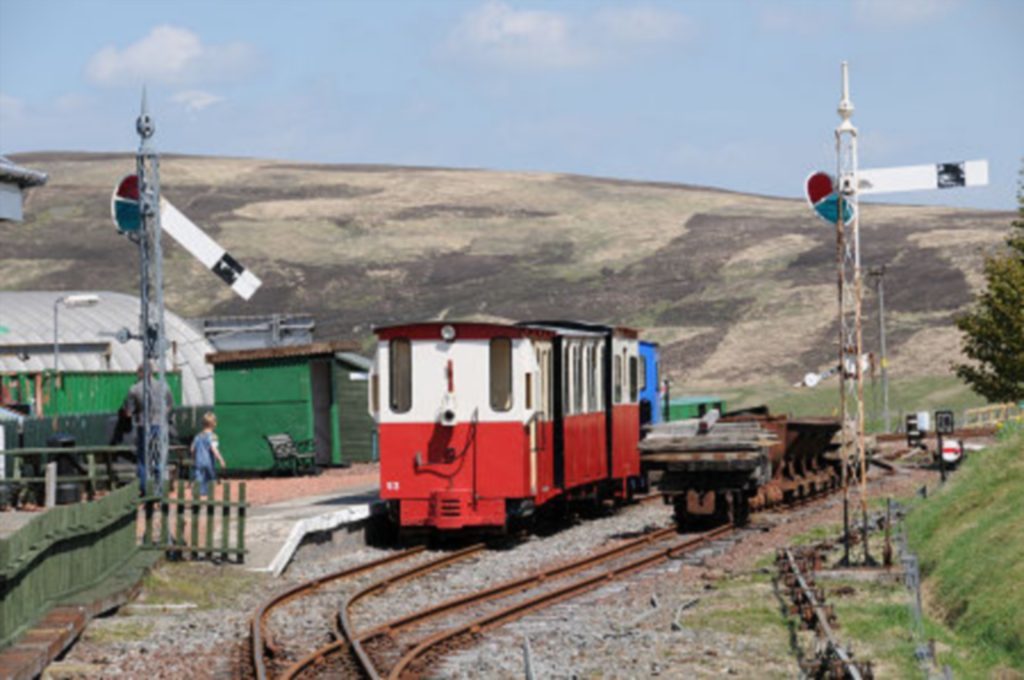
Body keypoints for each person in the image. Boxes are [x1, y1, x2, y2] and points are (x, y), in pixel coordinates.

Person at [122, 363, 175, 495]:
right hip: (160, 425)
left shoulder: (134, 389)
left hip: (143, 426)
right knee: (159, 456)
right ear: (152, 372)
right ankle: (159, 489)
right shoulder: (164, 386)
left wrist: (132, 412)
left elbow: (128, 411)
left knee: (142, 459)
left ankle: (145, 489)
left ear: (140, 372)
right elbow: (170, 405)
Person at [192, 412, 225, 496]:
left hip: (198, 462)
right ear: (214, 424)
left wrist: (194, 458)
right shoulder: (213, 436)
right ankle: (207, 498)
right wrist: (220, 459)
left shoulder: (198, 436)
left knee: (199, 480)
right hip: (208, 463)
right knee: (210, 481)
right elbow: (214, 449)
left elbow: (192, 449)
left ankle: (197, 497)